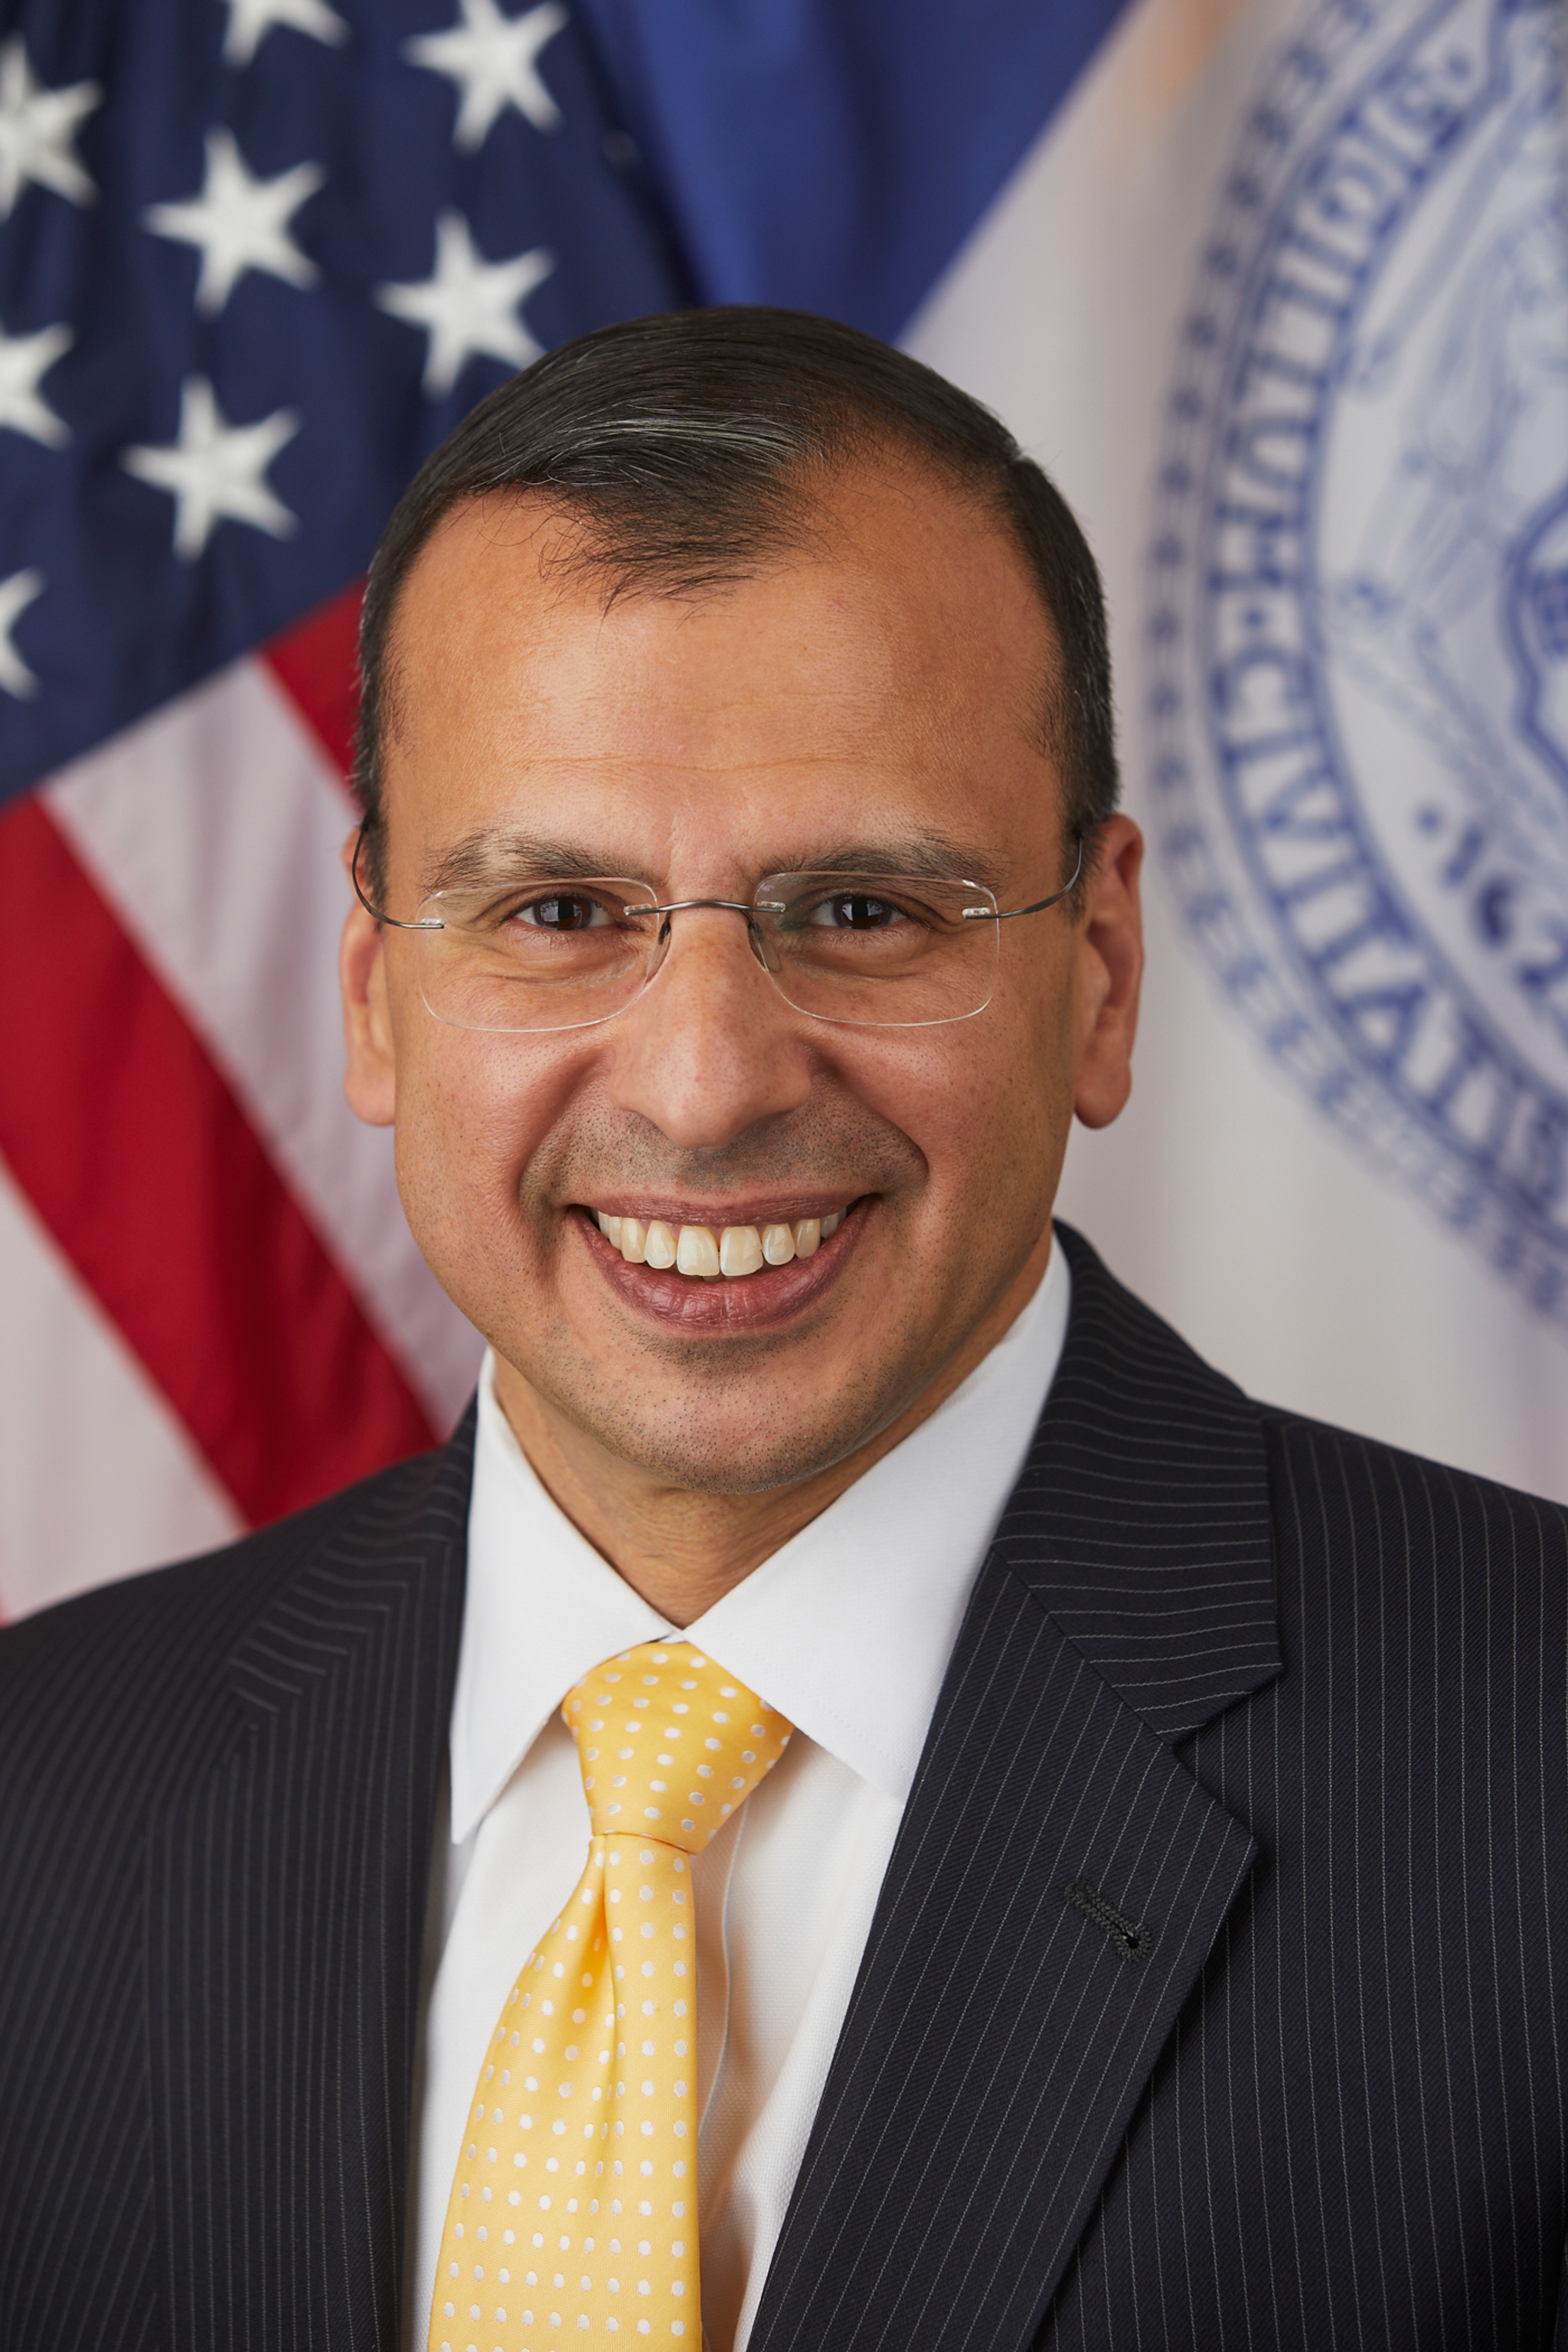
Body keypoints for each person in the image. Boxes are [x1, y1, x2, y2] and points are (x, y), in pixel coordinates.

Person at [1, 307, 1564, 2352]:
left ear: (1099, 969)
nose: (708, 1082)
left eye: (862, 912)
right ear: (379, 987)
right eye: (559, 914)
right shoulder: (43, 1804)